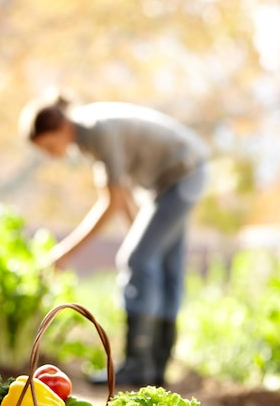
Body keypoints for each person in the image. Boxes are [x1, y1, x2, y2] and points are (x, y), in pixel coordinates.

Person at [19, 94, 208, 387]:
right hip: (179, 177)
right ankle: (155, 368)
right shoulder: (90, 135)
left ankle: (138, 364)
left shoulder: (97, 130)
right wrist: (139, 238)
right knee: (160, 265)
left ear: (60, 128)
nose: (50, 154)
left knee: (135, 259)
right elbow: (123, 196)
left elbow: (113, 202)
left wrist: (63, 254)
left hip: (182, 175)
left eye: (48, 146)